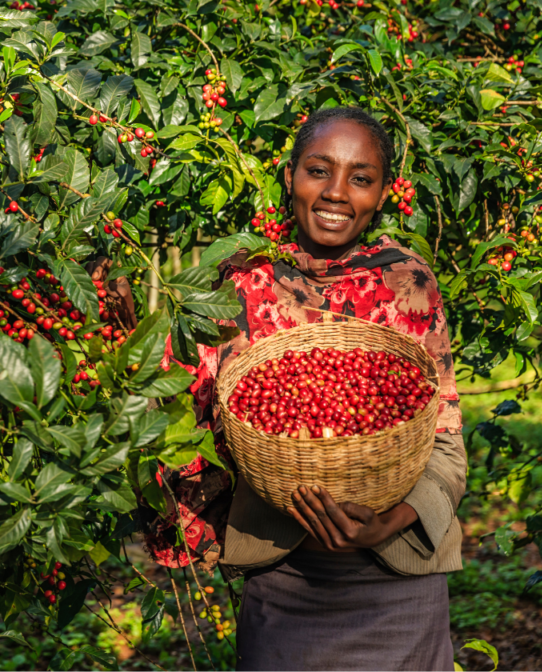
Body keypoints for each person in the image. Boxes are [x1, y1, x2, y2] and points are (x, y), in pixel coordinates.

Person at [143, 107, 464, 670]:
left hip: (397, 586)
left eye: (360, 178)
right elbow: (186, 422)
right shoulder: (244, 283)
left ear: (383, 193)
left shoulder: (407, 282)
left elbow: (445, 444)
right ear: (290, 176)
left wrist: (386, 523)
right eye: (319, 170)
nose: (337, 193)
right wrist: (136, 357)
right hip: (285, 581)